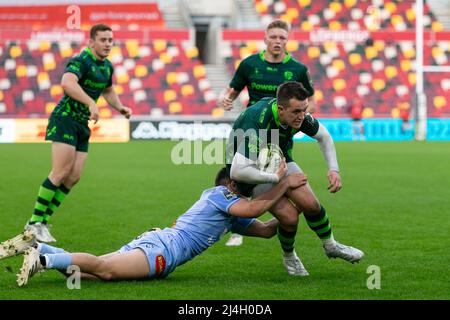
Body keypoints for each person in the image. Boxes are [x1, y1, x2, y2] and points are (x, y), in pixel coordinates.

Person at [0, 168, 308, 286]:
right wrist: (283, 185)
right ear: (230, 184)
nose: (250, 186)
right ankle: (42, 261)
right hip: (163, 250)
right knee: (105, 269)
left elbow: (267, 229)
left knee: (85, 274)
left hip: (158, 242)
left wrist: (294, 211)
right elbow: (255, 206)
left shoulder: (232, 215)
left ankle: (36, 247)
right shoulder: (220, 195)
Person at [226, 81, 364, 276]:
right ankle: (290, 257)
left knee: (311, 204)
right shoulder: (256, 121)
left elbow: (324, 136)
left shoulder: (298, 115)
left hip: (276, 158)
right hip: (251, 170)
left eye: (304, 110)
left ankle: (331, 245)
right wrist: (276, 179)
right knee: (289, 217)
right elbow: (237, 171)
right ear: (281, 109)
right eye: (297, 112)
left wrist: (334, 169)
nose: (302, 117)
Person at [24, 24, 132, 243]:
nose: (108, 44)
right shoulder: (81, 61)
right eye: (103, 40)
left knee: (73, 177)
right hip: (65, 119)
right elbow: (67, 83)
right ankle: (34, 222)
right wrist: (91, 102)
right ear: (91, 42)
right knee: (60, 172)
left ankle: (43, 222)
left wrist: (119, 107)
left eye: (110, 40)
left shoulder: (107, 67)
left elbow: (108, 89)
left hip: (82, 124)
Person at [218, 19, 317, 246]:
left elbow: (310, 100)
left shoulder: (298, 70)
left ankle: (281, 221)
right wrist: (227, 99)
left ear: (287, 40)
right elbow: (234, 89)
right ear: (265, 38)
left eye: (282, 37)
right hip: (254, 132)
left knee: (281, 180)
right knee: (241, 181)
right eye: (273, 37)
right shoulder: (250, 64)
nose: (277, 41)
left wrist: (302, 117)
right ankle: (237, 228)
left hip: (281, 139)